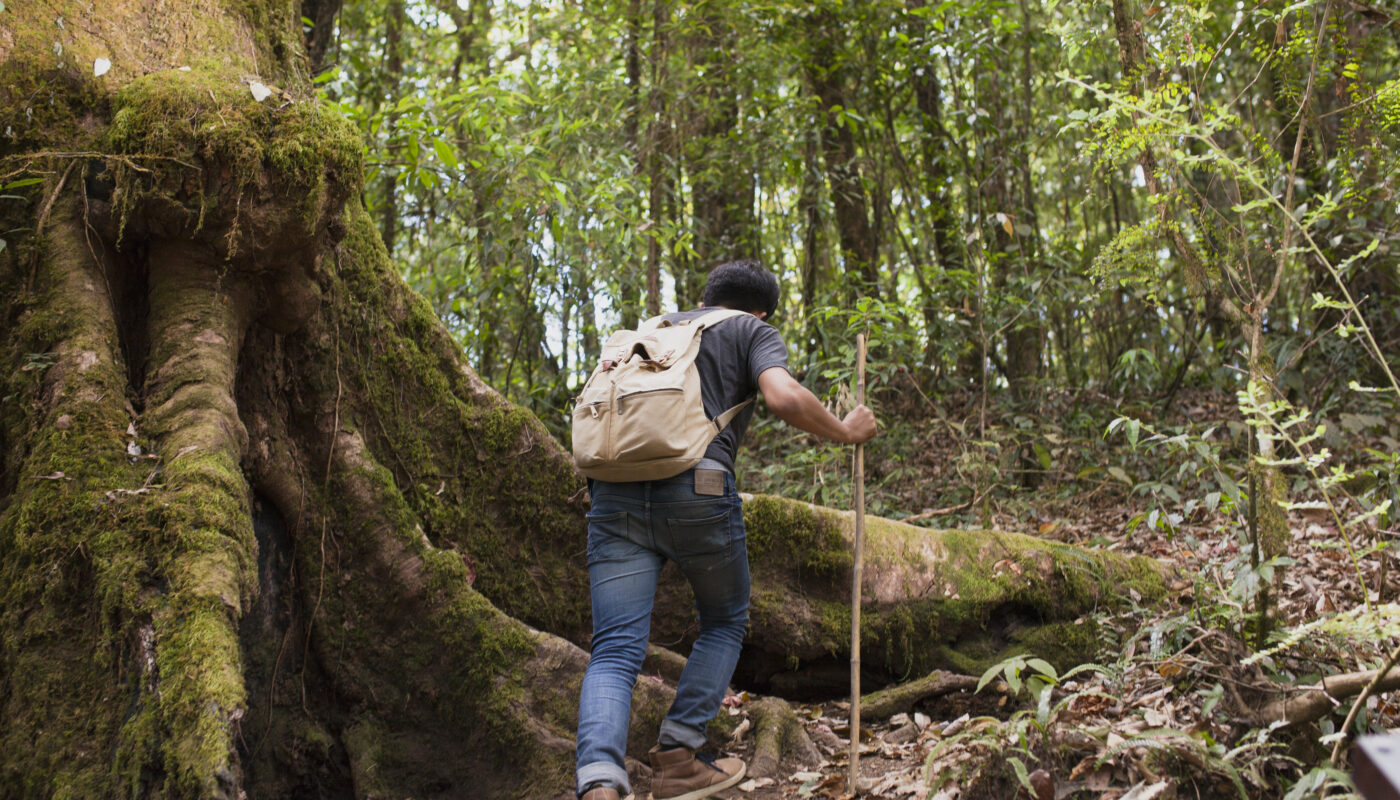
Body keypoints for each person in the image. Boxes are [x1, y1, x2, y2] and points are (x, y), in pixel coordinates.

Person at [575, 260, 878, 800]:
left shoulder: (656, 329)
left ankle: (599, 780)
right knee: (725, 620)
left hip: (612, 493)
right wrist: (846, 431)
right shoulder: (750, 329)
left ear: (704, 299)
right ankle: (677, 756)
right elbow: (783, 397)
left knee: (616, 649)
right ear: (759, 310)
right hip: (698, 490)